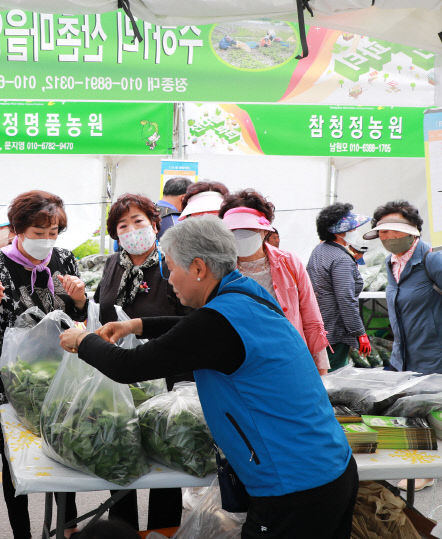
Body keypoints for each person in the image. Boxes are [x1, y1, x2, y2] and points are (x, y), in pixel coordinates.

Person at [59, 216, 358, 539]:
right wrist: (136, 325)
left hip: (293, 486)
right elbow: (193, 328)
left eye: (170, 268)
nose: (169, 279)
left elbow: (129, 367)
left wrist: (83, 340)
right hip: (328, 468)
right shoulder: (247, 295)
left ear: (199, 268)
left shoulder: (219, 321)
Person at [0, 190, 87, 538]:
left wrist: (80, 300)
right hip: (9, 380)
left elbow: (77, 319)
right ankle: (22, 531)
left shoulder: (64, 259)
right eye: (39, 232)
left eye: (53, 232)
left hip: (59, 374)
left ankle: (69, 528)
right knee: (14, 459)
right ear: (18, 228)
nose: (47, 240)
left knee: (63, 449)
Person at [93, 193, 188, 530]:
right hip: (119, 378)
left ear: (153, 225)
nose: (132, 229)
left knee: (165, 459)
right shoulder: (112, 265)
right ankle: (124, 531)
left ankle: (164, 531)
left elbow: (187, 321)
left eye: (139, 222)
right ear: (115, 233)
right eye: (123, 225)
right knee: (119, 453)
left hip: (166, 378)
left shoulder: (172, 263)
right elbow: (99, 310)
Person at [219, 191, 330, 374]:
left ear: (265, 230)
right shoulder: (219, 268)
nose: (241, 236)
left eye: (249, 230)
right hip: (241, 364)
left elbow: (311, 317)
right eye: (234, 231)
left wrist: (320, 368)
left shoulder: (289, 262)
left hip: (289, 358)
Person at [363, 201, 442, 375]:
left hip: (434, 362)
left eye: (397, 230)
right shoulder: (390, 263)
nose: (390, 237)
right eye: (384, 232)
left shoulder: (433, 259)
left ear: (413, 231)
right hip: (402, 362)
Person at [307, 203, 372, 371]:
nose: (354, 232)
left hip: (320, 327)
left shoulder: (319, 250)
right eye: (352, 229)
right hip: (335, 330)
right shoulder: (341, 259)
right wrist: (360, 332)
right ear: (339, 232)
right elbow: (346, 299)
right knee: (334, 380)